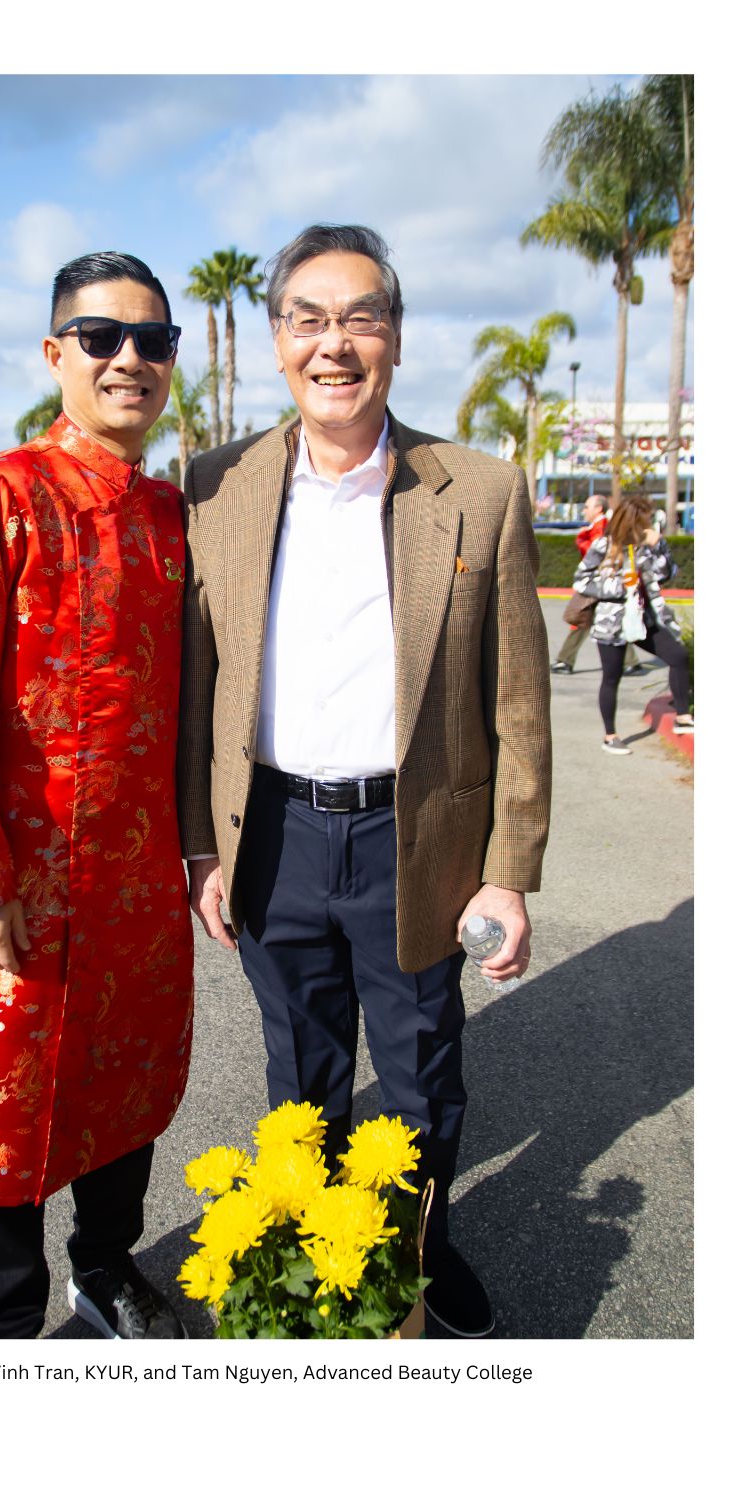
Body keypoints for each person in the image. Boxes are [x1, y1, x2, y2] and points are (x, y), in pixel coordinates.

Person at [179, 224, 553, 1339]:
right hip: (278, 834)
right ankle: (314, 1258)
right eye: (309, 319)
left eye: (360, 318)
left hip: (414, 841)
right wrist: (203, 845)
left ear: (394, 336)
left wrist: (506, 871)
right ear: (278, 337)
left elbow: (519, 699)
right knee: (301, 1076)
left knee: (426, 1072)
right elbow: (197, 681)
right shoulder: (216, 483)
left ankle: (417, 1251)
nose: (333, 345)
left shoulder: (480, 491)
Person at [0, 250, 192, 1340]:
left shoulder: (169, 515)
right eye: (102, 336)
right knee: (2, 1116)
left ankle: (107, 1270)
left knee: (126, 1092)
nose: (129, 360)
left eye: (152, 341)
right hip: (17, 886)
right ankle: (5, 1320)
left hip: (137, 886)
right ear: (54, 351)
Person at [573, 493, 694, 752]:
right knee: (612, 677)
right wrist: (618, 585)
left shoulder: (646, 545)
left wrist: (660, 545)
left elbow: (667, 574)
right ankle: (610, 736)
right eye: (645, 521)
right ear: (631, 521)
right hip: (612, 623)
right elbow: (581, 580)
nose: (648, 525)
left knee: (678, 656)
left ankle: (683, 717)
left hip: (644, 620)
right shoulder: (604, 545)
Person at [551, 495, 607, 674]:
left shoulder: (601, 527)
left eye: (587, 506)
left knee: (580, 617)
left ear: (598, 509)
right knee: (595, 620)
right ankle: (630, 662)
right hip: (597, 583)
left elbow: (593, 553)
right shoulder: (598, 526)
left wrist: (582, 537)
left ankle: (565, 660)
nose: (584, 510)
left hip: (595, 583)